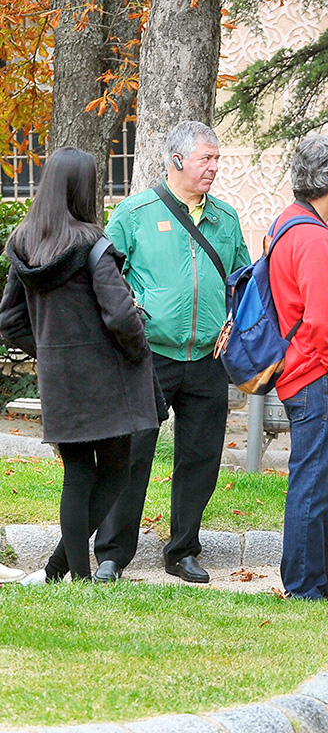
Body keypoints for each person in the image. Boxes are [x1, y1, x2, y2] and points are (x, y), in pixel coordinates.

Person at [93, 121, 250, 584]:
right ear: (177, 160)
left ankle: (182, 550)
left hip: (206, 359)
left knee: (200, 457)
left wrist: (231, 322)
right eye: (207, 159)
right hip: (150, 356)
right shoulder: (135, 211)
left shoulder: (225, 218)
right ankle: (113, 553)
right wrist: (132, 314)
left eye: (217, 159)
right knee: (132, 452)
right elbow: (103, 274)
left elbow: (242, 280)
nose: (215, 168)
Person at [0, 147, 159, 583]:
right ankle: (73, 575)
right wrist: (134, 351)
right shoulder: (93, 244)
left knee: (77, 473)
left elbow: (9, 322)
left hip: (60, 382)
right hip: (106, 381)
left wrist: (49, 350)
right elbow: (122, 316)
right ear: (84, 188)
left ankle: (64, 572)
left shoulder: (22, 243)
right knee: (113, 472)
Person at [266, 134, 328, 605]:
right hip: (316, 375)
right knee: (313, 484)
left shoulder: (288, 222)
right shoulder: (315, 238)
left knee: (318, 481)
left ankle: (323, 581)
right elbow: (327, 322)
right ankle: (305, 585)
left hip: (298, 371)